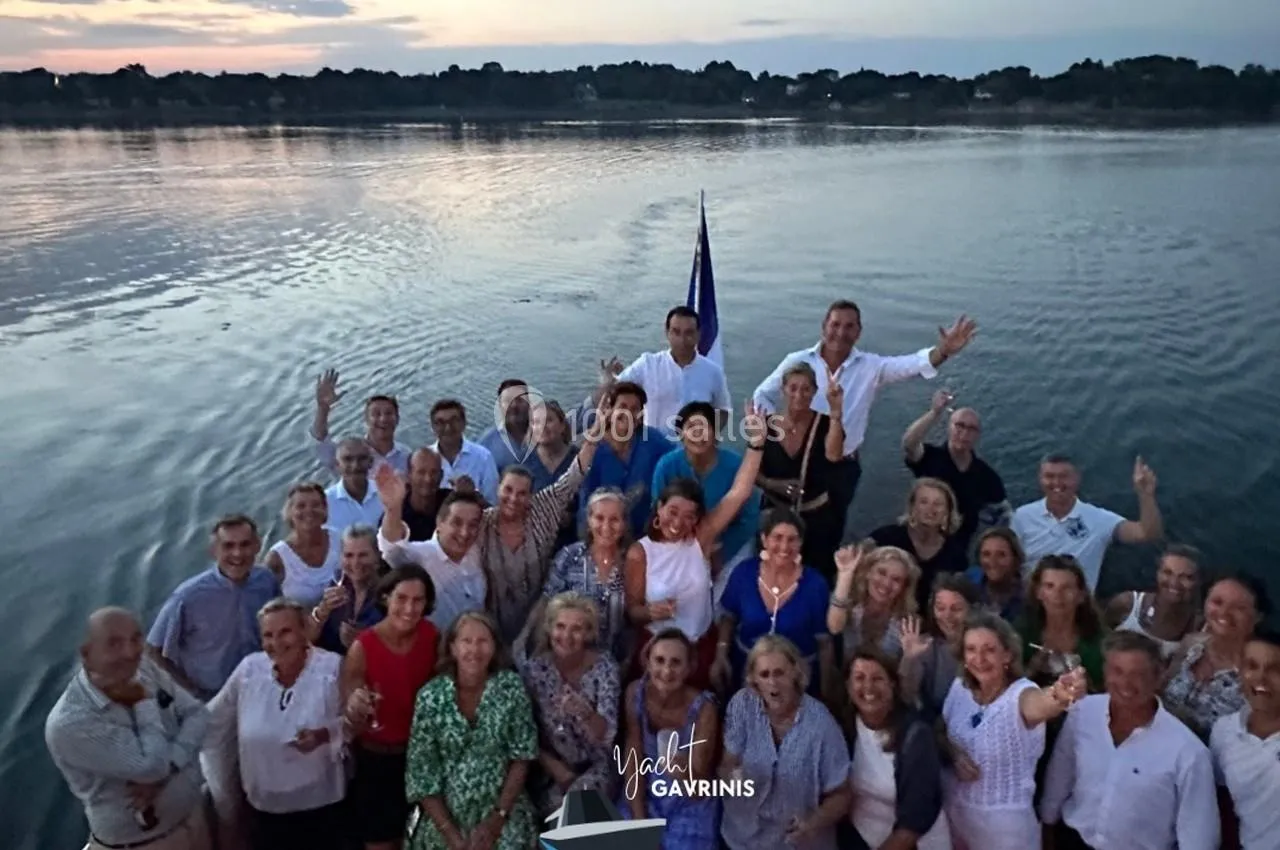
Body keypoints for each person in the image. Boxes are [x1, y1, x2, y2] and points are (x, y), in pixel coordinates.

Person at [752, 300, 976, 536]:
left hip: (839, 466)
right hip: (795, 458)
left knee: (827, 534)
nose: (841, 332)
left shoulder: (870, 367)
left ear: (858, 332)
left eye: (849, 326)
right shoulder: (797, 361)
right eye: (835, 324)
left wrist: (943, 351)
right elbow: (762, 396)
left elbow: (911, 365)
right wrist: (781, 432)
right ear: (824, 326)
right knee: (775, 528)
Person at [46, 607, 211, 850]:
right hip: (144, 844)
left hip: (193, 823)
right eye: (114, 644)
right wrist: (142, 699)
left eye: (135, 639)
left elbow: (198, 713)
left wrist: (172, 763)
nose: (130, 652)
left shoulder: (142, 667)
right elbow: (152, 767)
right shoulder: (71, 723)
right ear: (86, 654)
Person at [623, 405, 766, 686]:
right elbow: (632, 611)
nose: (679, 523)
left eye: (690, 516)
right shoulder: (640, 552)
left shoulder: (700, 538)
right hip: (657, 650)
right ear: (659, 508)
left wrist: (757, 443)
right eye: (673, 512)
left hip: (700, 646)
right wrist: (650, 612)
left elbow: (740, 492)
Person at [1040, 631, 1219, 850]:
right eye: (1117, 671)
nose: (1126, 683)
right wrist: (1047, 827)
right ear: (1105, 672)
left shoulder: (1188, 751)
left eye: (1138, 674)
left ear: (1158, 677)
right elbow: (1060, 774)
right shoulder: (1082, 712)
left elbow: (1198, 836)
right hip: (1073, 842)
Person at [204, 599, 347, 850]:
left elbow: (356, 723)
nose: (277, 643)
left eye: (285, 632)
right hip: (264, 808)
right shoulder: (249, 669)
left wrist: (324, 735)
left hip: (321, 805)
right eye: (268, 635)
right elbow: (212, 718)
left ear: (304, 631)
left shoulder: (332, 668)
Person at [941, 613, 1084, 850]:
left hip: (1005, 833)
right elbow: (940, 728)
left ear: (1007, 654)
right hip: (955, 819)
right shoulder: (960, 687)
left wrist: (1059, 695)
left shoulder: (1021, 695)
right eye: (971, 649)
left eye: (989, 650)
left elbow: (1042, 703)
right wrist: (953, 753)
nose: (979, 658)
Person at [405, 612, 538, 850]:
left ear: (494, 647)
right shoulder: (430, 697)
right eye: (466, 641)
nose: (474, 650)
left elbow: (522, 757)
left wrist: (497, 819)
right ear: (453, 648)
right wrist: (453, 838)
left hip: (503, 811)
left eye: (483, 641)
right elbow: (421, 776)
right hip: (446, 818)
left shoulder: (511, 688)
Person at [720, 635, 851, 850]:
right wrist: (734, 779)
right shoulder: (742, 704)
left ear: (795, 673)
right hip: (741, 838)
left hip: (795, 843)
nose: (773, 682)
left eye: (779, 673)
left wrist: (813, 823)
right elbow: (728, 764)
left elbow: (842, 795)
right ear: (754, 679)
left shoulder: (821, 724)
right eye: (764, 674)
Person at [341, 565, 439, 850]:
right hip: (376, 762)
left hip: (421, 758)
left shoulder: (432, 637)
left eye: (418, 600)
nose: (409, 608)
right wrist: (356, 705)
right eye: (401, 598)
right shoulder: (363, 647)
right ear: (386, 598)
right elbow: (350, 706)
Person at [473, 432, 599, 645]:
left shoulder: (542, 510)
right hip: (490, 624)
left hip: (537, 620)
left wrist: (593, 437)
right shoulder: (481, 523)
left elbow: (573, 477)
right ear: (498, 488)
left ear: (531, 496)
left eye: (522, 493)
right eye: (508, 490)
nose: (513, 498)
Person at [147, 515, 281, 700]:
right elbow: (153, 651)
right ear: (213, 550)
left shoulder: (266, 581)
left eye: (245, 544)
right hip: (210, 696)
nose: (237, 553)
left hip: (259, 685)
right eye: (228, 546)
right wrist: (190, 694)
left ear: (257, 546)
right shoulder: (188, 597)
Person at [516, 593, 621, 816]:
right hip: (549, 770)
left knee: (578, 807)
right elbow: (524, 731)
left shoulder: (605, 668)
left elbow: (606, 735)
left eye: (577, 629)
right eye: (560, 626)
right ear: (549, 628)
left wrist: (587, 714)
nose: (566, 636)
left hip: (595, 768)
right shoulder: (534, 671)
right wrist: (557, 769)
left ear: (589, 633)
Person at [618, 629, 720, 849]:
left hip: (686, 800)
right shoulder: (635, 692)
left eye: (676, 662)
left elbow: (698, 790)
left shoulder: (704, 708)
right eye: (659, 660)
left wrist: (683, 772)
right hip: (643, 790)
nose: (666, 671)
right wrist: (640, 823)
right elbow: (633, 760)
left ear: (689, 667)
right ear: (647, 662)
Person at [712, 508, 832, 695]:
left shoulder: (815, 585)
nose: (784, 546)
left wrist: (826, 690)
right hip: (745, 676)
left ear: (801, 543)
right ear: (764, 539)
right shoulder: (744, 573)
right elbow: (729, 617)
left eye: (792, 539)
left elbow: (824, 643)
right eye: (778, 537)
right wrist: (721, 654)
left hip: (796, 683)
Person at [841, 647, 951, 850]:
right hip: (864, 835)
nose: (868, 687)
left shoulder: (916, 736)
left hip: (915, 843)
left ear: (892, 684)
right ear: (848, 686)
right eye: (859, 678)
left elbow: (915, 820)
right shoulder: (845, 728)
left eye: (877, 678)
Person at [651, 401, 760, 601]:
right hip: (678, 542)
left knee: (726, 599)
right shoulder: (666, 466)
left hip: (731, 543)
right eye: (691, 426)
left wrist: (721, 552)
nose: (698, 433)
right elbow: (656, 512)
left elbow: (749, 517)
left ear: (715, 433)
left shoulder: (735, 465)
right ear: (681, 434)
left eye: (704, 427)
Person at [1010, 453, 1163, 592]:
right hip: (1030, 604)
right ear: (1040, 479)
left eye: (1064, 476)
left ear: (1077, 479)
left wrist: (1145, 495)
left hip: (1078, 606)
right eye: (1049, 476)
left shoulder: (1099, 519)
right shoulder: (1021, 516)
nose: (1056, 483)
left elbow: (1146, 533)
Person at [755, 361, 845, 581]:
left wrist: (836, 413)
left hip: (816, 520)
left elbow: (834, 455)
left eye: (806, 389)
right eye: (793, 388)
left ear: (814, 392)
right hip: (775, 517)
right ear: (783, 390)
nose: (799, 395)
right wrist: (771, 484)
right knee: (771, 576)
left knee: (814, 578)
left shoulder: (825, 424)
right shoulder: (766, 425)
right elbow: (751, 471)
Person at [525, 488, 630, 661]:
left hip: (616, 660)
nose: (606, 526)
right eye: (599, 518)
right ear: (589, 520)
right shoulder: (570, 556)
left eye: (614, 519)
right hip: (569, 656)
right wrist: (533, 644)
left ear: (624, 523)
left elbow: (634, 621)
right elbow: (546, 603)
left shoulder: (632, 561)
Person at [597, 305, 732, 437]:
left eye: (689, 333)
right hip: (652, 445)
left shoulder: (713, 372)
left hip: (692, 448)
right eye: (676, 332)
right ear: (667, 333)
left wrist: (708, 435)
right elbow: (614, 390)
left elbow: (723, 409)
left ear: (698, 334)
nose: (682, 340)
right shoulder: (648, 364)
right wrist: (607, 380)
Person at [901, 389, 1008, 554]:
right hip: (917, 544)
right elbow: (909, 444)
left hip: (958, 553)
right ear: (949, 427)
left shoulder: (987, 476)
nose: (964, 433)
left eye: (971, 429)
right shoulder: (930, 457)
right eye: (959, 426)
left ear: (977, 435)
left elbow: (1002, 513)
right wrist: (934, 412)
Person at [1163, 573, 1267, 738]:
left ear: (1257, 617)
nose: (1224, 612)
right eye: (1217, 602)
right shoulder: (1191, 644)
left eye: (1239, 608)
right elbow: (1162, 691)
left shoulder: (1261, 672)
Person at [376, 486, 487, 633]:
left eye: (472, 525)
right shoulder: (421, 555)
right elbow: (392, 548)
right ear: (440, 522)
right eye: (457, 523)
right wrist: (393, 508)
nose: (464, 533)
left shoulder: (477, 553)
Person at [577, 381, 676, 538]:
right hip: (603, 534)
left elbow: (679, 459)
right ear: (610, 410)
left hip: (646, 534)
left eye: (634, 409)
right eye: (622, 406)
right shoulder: (592, 447)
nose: (628, 413)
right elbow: (584, 501)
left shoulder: (652, 440)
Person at [1210, 627, 1280, 850]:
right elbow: (1223, 801)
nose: (1261, 678)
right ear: (1239, 671)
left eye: (1275, 669)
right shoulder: (1224, 731)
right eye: (1252, 666)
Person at [867, 477, 969, 613]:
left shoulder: (956, 555)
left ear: (947, 512)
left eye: (938, 504)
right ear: (912, 507)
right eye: (923, 502)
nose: (930, 509)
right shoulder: (884, 538)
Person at [1020, 555, 1107, 693]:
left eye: (1067, 588)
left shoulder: (1100, 641)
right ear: (1038, 592)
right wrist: (1032, 668)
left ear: (1081, 595)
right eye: (1049, 586)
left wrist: (1086, 682)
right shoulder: (1021, 634)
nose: (1058, 595)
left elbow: (1107, 693)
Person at [898, 573, 980, 720]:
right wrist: (909, 658)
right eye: (940, 608)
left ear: (972, 609)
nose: (947, 616)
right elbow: (907, 696)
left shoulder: (985, 644)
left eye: (956, 609)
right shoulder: (925, 645)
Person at [825, 545, 919, 669]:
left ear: (904, 587)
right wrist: (845, 575)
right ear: (868, 572)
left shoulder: (908, 623)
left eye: (896, 580)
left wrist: (909, 658)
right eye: (881, 573)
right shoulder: (851, 605)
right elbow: (835, 627)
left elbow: (906, 674)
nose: (886, 584)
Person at [1104, 544, 1202, 658]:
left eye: (1186, 577)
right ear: (1157, 573)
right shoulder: (1127, 604)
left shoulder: (1197, 626)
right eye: (1167, 572)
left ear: (1198, 580)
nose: (1174, 582)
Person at [310, 369, 410, 476]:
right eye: (376, 414)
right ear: (366, 419)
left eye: (389, 413)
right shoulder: (348, 454)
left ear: (397, 419)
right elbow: (320, 439)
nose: (383, 419)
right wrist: (323, 408)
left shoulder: (406, 455)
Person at [309, 524, 386, 654]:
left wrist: (363, 642)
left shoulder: (390, 592)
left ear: (378, 555)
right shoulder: (336, 585)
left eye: (363, 555)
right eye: (349, 555)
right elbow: (309, 637)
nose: (355, 563)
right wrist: (321, 612)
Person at [266, 482, 342, 607]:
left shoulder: (338, 539)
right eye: (301, 506)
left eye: (315, 505)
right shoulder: (277, 558)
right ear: (290, 512)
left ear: (324, 509)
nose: (309, 511)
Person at [428, 398, 500, 505]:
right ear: (433, 427)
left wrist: (472, 494)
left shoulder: (483, 457)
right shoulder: (425, 459)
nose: (448, 428)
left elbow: (493, 505)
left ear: (464, 423)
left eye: (454, 421)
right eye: (441, 422)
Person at [964, 527, 1026, 623]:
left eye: (1001, 555)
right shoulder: (967, 583)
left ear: (1015, 559)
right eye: (986, 554)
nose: (992, 561)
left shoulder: (1029, 596)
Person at [324, 437, 385, 533]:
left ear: (371, 462)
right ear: (337, 464)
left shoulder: (387, 494)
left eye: (362, 458)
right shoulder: (325, 503)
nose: (355, 465)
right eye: (347, 459)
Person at [478, 379, 537, 473]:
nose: (514, 405)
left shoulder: (546, 434)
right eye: (508, 400)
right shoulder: (487, 442)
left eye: (520, 400)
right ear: (499, 405)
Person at [400, 448, 451, 542]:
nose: (428, 479)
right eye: (421, 472)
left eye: (434, 472)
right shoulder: (397, 514)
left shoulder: (452, 503)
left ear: (441, 476)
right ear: (409, 475)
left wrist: (470, 495)